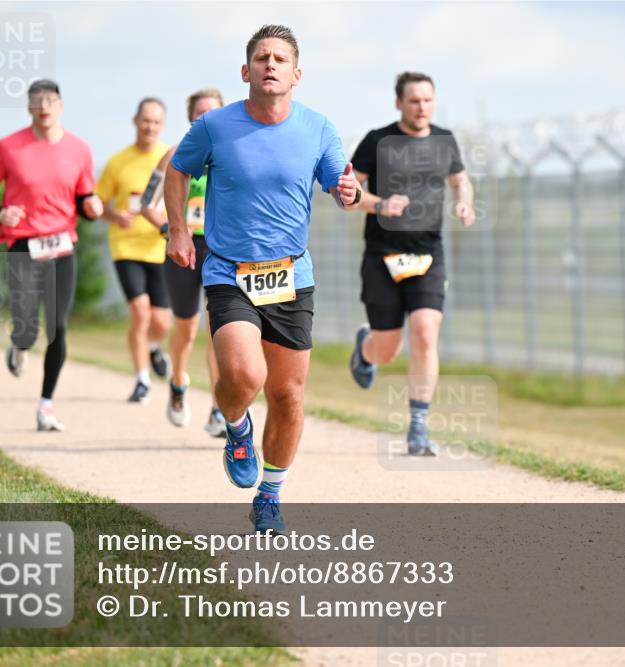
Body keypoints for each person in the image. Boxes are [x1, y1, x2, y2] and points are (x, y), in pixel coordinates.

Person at [165, 25, 360, 533]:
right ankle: (235, 428)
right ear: (245, 70)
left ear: (296, 74)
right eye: (261, 56)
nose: (270, 64)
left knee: (289, 395)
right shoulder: (214, 125)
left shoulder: (318, 128)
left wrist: (348, 190)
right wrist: (180, 231)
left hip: (292, 274)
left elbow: (340, 184)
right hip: (229, 270)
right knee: (245, 377)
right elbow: (177, 171)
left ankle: (269, 494)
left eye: (280, 58)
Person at [348, 72, 476, 455]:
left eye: (428, 100)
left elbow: (460, 179)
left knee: (424, 331)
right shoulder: (377, 140)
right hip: (382, 254)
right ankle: (365, 348)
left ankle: (418, 426)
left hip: (428, 253)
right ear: (399, 103)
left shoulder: (444, 139)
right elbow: (349, 192)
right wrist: (380, 205)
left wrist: (463, 200)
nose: (422, 107)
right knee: (387, 349)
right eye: (414, 100)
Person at [0, 79, 103, 431]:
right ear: (29, 107)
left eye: (50, 100)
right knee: (28, 327)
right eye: (37, 101)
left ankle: (46, 405)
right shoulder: (9, 147)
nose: (44, 107)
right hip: (23, 243)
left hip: (62, 245)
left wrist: (92, 206)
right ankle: (19, 345)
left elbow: (83, 198)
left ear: (60, 105)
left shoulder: (80, 149)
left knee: (58, 327)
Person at [139, 88, 227, 435]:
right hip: (182, 249)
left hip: (222, 250)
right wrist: (170, 227)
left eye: (213, 114)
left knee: (219, 331)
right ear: (190, 119)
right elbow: (146, 204)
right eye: (199, 115)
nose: (205, 120)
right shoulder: (173, 156)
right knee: (187, 329)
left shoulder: (231, 153)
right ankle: (177, 383)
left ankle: (219, 409)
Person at [95, 98, 172, 403]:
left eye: (156, 122)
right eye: (145, 120)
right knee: (140, 314)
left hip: (160, 247)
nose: (150, 127)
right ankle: (142, 380)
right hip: (126, 246)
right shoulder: (118, 162)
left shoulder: (169, 158)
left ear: (161, 125)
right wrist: (115, 215)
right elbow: (98, 202)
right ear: (135, 121)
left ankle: (153, 347)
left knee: (162, 322)